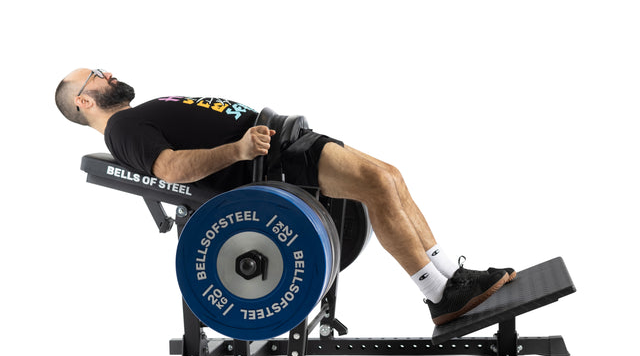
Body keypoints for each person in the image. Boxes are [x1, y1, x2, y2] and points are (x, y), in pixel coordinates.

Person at [55, 68, 515, 325]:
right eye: (97, 76)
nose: (109, 74)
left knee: (389, 175)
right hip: (271, 159)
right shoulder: (122, 129)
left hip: (283, 137)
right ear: (84, 102)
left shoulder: (135, 118)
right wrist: (236, 148)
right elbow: (170, 169)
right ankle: (439, 295)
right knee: (379, 184)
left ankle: (451, 273)